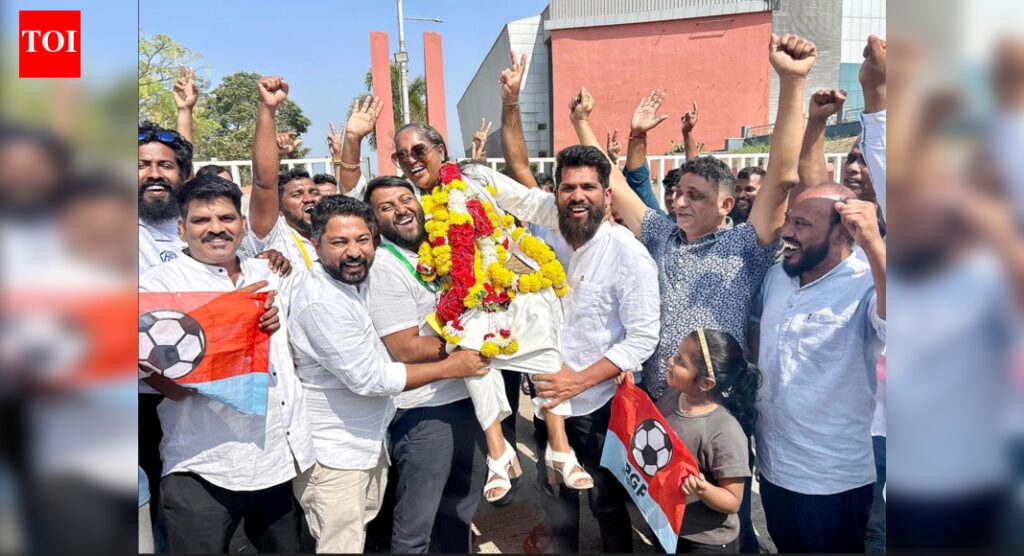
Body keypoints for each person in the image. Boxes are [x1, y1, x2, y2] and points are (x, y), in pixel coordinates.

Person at [570, 34, 815, 403]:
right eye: (679, 192)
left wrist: (793, 81)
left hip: (716, 405)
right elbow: (614, 182)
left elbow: (781, 177)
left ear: (726, 204)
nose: (680, 202)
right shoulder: (661, 234)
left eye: (695, 196)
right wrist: (581, 122)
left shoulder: (746, 244)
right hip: (656, 400)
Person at [459, 142, 661, 553]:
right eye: (568, 188)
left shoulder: (629, 256)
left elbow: (643, 337)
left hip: (600, 404)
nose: (577, 196)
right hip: (548, 399)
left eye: (588, 187)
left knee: (607, 503)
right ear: (556, 194)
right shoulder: (544, 233)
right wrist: (464, 176)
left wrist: (579, 381)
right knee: (556, 502)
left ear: (607, 195)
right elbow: (512, 193)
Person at [287, 194, 490, 553]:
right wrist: (451, 366)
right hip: (335, 457)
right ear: (315, 244)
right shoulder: (321, 301)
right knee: (342, 545)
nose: (353, 252)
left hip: (366, 444)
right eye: (339, 242)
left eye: (362, 240)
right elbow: (370, 378)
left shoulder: (349, 285)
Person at [139, 174, 315, 553]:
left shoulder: (270, 273)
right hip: (202, 465)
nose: (216, 228)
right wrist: (230, 322)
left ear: (242, 224)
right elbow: (163, 379)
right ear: (182, 228)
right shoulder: (156, 286)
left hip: (277, 459)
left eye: (226, 218)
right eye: (201, 220)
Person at [753, 184, 886, 553]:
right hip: (774, 468)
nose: (786, 232)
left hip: (832, 482)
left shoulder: (866, 284)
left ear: (842, 233)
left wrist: (875, 245)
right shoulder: (778, 277)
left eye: (801, 224)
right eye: (788, 220)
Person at [363, 175, 490, 552]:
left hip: (468, 399)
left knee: (460, 514)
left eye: (406, 199)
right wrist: (475, 343)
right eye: (387, 207)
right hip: (425, 412)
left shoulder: (436, 250)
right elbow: (406, 348)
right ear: (375, 221)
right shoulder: (386, 267)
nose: (401, 210)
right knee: (415, 528)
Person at [654, 329, 760, 554]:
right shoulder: (671, 396)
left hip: (706, 541)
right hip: (668, 524)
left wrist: (703, 489)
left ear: (706, 382)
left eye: (681, 361)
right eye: (676, 354)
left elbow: (733, 501)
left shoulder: (724, 433)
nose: (670, 360)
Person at [249, 77, 367, 272]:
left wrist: (352, 139)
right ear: (279, 207)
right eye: (297, 194)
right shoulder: (273, 235)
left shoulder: (335, 233)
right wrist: (268, 108)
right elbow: (264, 183)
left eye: (314, 192)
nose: (309, 199)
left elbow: (351, 192)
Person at [138, 121, 193, 272]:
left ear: (184, 174)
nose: (155, 174)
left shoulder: (205, 225)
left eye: (165, 165)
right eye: (141, 166)